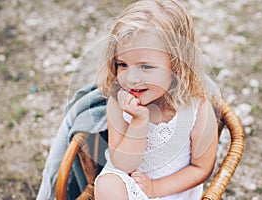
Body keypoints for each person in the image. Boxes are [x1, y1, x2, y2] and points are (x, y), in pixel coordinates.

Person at [93, 0, 220, 199]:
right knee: (107, 185)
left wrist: (155, 188)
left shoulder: (197, 109)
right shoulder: (118, 102)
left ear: (177, 65)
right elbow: (123, 164)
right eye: (122, 64)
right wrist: (138, 122)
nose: (131, 78)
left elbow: (200, 168)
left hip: (170, 188)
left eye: (146, 67)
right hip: (127, 181)